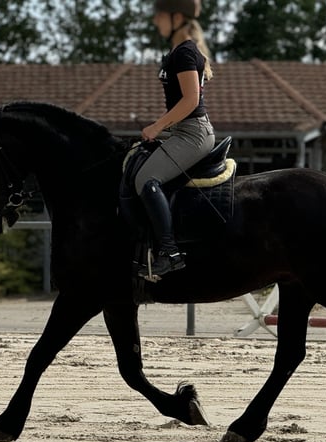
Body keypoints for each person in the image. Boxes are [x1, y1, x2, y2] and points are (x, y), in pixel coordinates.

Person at [135, 0, 215, 279]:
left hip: (193, 133)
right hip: (181, 130)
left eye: (159, 16)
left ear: (177, 17)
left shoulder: (184, 53)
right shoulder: (178, 51)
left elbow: (191, 100)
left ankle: (169, 252)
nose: (155, 21)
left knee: (145, 179)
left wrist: (158, 126)